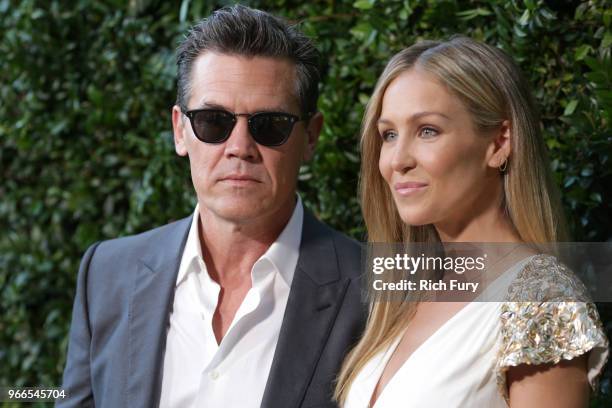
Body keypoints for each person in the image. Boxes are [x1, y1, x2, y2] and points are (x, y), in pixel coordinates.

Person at [59, 5, 365, 408]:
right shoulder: (107, 274)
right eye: (213, 122)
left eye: (270, 124)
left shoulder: (373, 290)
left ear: (310, 137)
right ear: (179, 130)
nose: (239, 147)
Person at [334, 37, 609, 407]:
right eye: (389, 134)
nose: (397, 160)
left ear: (499, 143)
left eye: (427, 130)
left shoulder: (541, 300)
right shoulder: (406, 299)